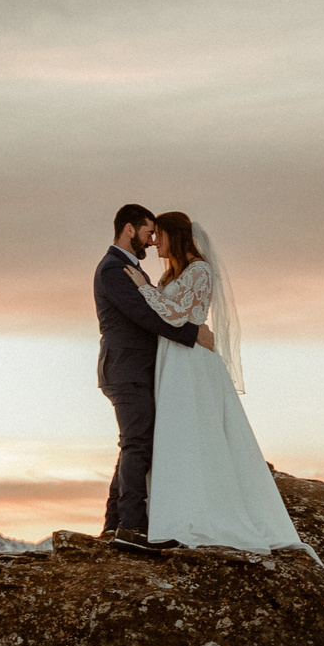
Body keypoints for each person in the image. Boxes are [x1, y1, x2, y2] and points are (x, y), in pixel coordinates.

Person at [132, 211, 307, 554]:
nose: (155, 243)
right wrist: (153, 291)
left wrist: (144, 291)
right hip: (171, 356)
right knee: (175, 432)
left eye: (161, 236)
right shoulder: (173, 274)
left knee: (196, 431)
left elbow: (175, 313)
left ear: (175, 236)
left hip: (191, 360)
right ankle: (173, 513)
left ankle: (203, 513)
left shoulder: (199, 270)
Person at [94, 204, 212, 544]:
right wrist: (193, 335)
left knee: (134, 442)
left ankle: (115, 523)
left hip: (138, 369)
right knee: (137, 444)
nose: (151, 241)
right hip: (126, 369)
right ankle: (131, 526)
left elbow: (157, 308)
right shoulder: (113, 269)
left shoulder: (131, 269)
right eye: (148, 233)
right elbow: (143, 316)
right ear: (130, 229)